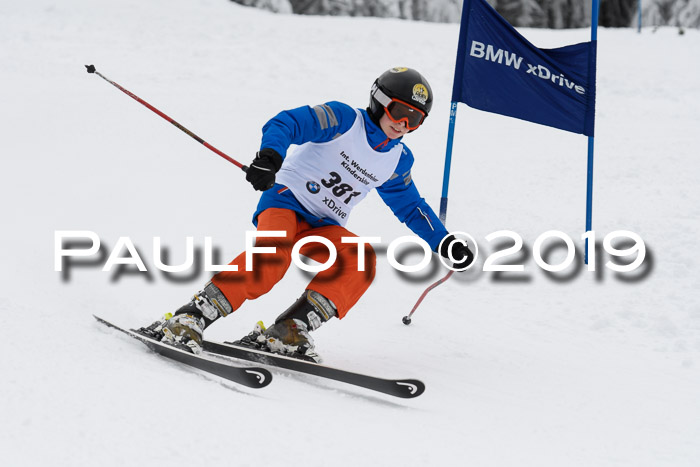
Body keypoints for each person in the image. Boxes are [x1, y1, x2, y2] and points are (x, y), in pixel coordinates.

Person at [139, 67, 474, 362]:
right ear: (379, 100)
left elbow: (410, 206)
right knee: (272, 258)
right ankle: (189, 318)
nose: (403, 124)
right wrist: (270, 157)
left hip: (325, 224)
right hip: (286, 200)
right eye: (399, 111)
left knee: (360, 260)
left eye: (414, 120)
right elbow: (288, 123)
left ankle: (288, 330)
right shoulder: (344, 120)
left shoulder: (397, 160)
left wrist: (443, 242)